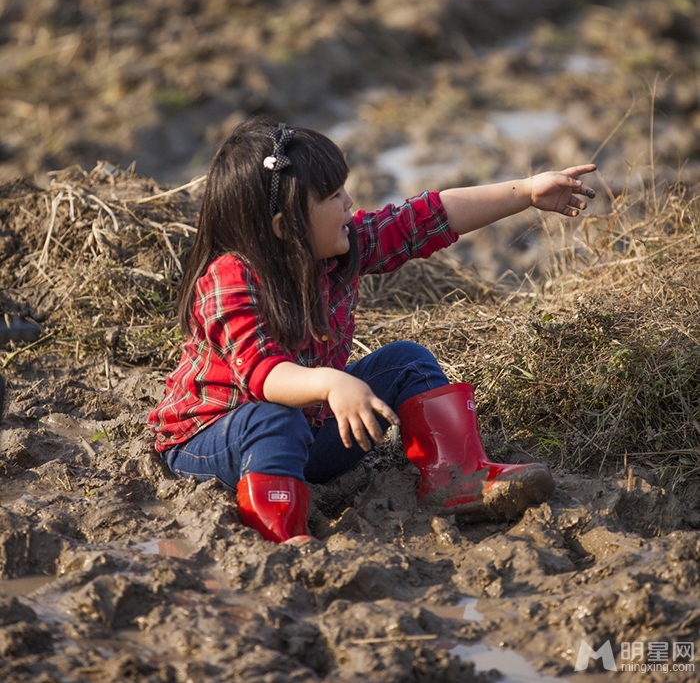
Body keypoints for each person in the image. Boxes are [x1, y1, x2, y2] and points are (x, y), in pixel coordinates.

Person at [148, 117, 596, 543]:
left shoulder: (339, 250)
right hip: (212, 442)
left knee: (407, 361)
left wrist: (526, 192)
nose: (348, 203)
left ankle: (457, 477)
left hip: (309, 435)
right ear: (286, 228)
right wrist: (331, 381)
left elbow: (423, 219)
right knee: (274, 417)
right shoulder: (230, 278)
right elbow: (264, 374)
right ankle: (278, 533)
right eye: (333, 196)